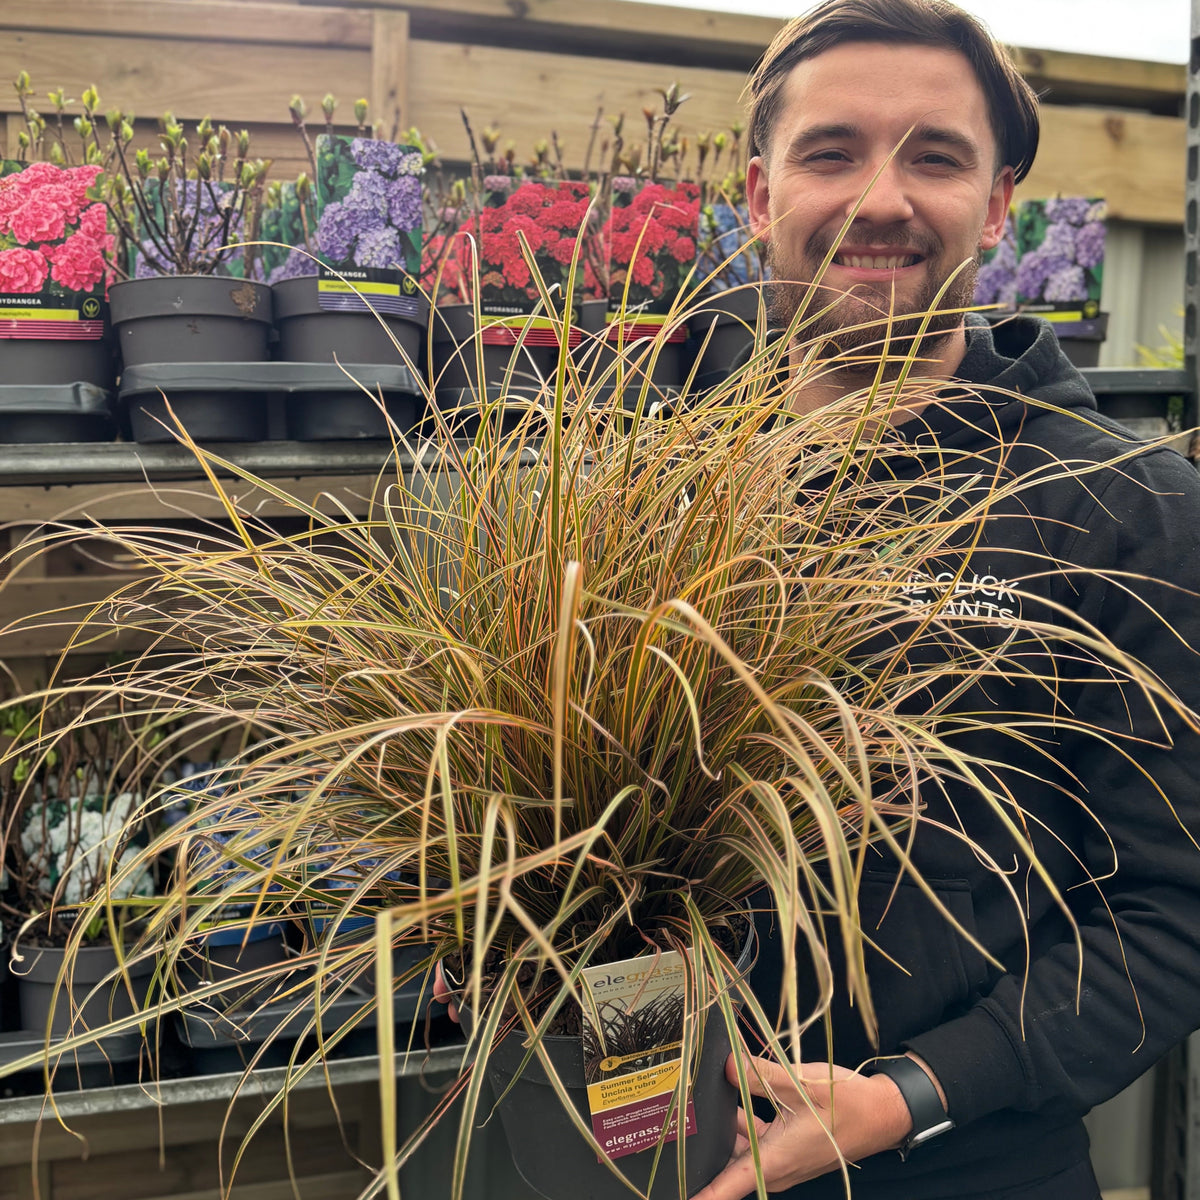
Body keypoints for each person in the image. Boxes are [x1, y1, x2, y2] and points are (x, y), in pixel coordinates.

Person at [690, 2, 1200, 1199]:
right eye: (832, 152)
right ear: (759, 195)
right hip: (638, 1145)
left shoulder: (1124, 507)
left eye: (935, 156)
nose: (881, 200)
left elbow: (1177, 909)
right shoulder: (638, 479)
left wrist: (911, 1094)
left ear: (1001, 200)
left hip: (968, 1167)